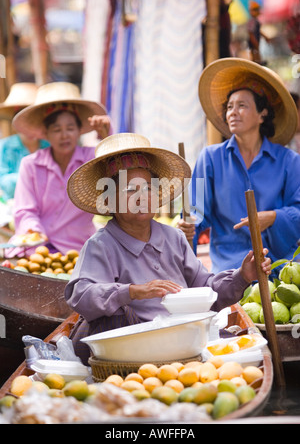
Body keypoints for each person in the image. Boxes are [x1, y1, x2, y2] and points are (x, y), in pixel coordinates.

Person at [64, 132, 271, 364]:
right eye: (130, 190)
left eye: (147, 188)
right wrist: (132, 291)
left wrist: (243, 276)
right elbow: (81, 295)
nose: (141, 197)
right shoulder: (100, 246)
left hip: (186, 345)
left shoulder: (174, 238)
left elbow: (206, 290)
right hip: (135, 354)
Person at [178, 58, 300, 275]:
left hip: (282, 270)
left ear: (262, 114)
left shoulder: (289, 161)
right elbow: (193, 212)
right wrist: (187, 226)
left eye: (242, 106)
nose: (232, 112)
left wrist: (273, 217)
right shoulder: (210, 158)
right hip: (230, 272)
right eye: (229, 107)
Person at [6, 81, 110, 257]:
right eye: (56, 129)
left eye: (70, 128)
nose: (64, 135)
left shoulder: (92, 159)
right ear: (45, 133)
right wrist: (34, 233)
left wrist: (107, 135)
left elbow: (119, 166)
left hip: (81, 249)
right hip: (36, 248)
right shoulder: (30, 164)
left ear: (79, 131)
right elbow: (25, 210)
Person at [0, 83, 50, 201]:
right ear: (16, 124)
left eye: (34, 122)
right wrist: (32, 174)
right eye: (26, 123)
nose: (30, 129)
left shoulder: (49, 146)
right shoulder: (4, 147)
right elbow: (4, 184)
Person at [247, 0, 269, 65]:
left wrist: (265, 37)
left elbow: (258, 31)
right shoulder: (252, 21)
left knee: (256, 50)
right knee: (254, 51)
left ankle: (258, 61)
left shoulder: (255, 21)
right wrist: (254, 41)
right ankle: (255, 62)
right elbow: (250, 32)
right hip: (253, 40)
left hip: (256, 39)